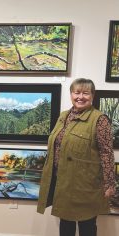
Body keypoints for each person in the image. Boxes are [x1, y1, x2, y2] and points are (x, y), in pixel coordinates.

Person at [37, 78, 116, 236]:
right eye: (76, 92)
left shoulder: (99, 120)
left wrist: (109, 183)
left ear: (92, 95)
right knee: (65, 224)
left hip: (85, 184)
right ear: (71, 94)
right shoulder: (63, 116)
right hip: (63, 181)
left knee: (87, 225)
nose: (80, 96)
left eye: (85, 93)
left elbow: (107, 153)